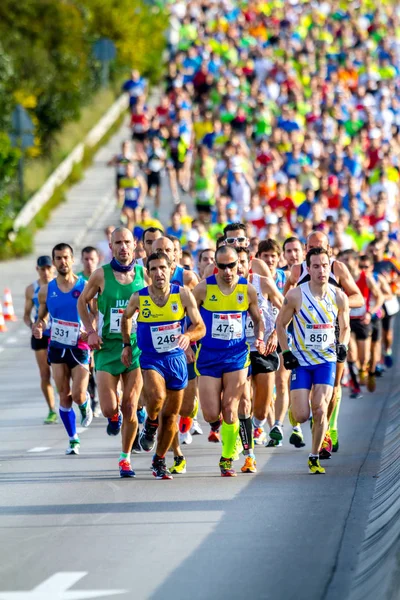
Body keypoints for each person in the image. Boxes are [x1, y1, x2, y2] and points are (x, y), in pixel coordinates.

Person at [121, 251, 205, 479]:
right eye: (154, 269)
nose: (159, 273)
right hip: (151, 359)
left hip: (176, 359)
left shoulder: (183, 294)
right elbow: (126, 317)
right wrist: (127, 345)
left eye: (163, 268)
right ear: (148, 273)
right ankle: (149, 424)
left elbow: (200, 326)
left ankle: (159, 460)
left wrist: (189, 336)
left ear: (171, 270)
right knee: (157, 397)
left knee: (171, 417)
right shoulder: (139, 297)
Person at [284, 230, 364, 455]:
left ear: (329, 250)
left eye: (320, 247)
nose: (314, 251)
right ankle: (301, 412)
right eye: (310, 247)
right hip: (302, 335)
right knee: (304, 397)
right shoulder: (298, 270)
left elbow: (358, 297)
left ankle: (329, 429)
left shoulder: (337, 268)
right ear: (306, 249)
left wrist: (337, 301)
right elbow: (285, 298)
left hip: (333, 333)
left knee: (333, 386)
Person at [78, 228, 149, 478]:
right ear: (111, 245)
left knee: (130, 405)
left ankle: (125, 458)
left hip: (136, 348)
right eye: (118, 242)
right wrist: (91, 330)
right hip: (107, 348)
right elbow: (82, 302)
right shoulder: (100, 275)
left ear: (135, 245)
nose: (123, 247)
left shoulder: (144, 274)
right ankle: (113, 417)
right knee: (110, 408)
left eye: (127, 242)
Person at [276, 247, 350, 474]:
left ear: (330, 267)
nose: (321, 270)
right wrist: (286, 352)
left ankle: (314, 455)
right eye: (316, 266)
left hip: (326, 360)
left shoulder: (338, 296)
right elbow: (281, 324)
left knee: (319, 409)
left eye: (325, 265)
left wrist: (343, 345)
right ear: (308, 269)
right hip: (301, 361)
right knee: (301, 415)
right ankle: (293, 412)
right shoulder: (296, 295)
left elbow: (345, 326)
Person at [193, 245, 265, 477]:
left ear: (239, 265)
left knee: (230, 408)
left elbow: (258, 319)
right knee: (211, 414)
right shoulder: (203, 289)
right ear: (215, 266)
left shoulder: (248, 290)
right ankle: (225, 432)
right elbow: (187, 316)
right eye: (222, 266)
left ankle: (226, 459)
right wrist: (187, 340)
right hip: (208, 356)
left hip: (236, 356)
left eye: (231, 265)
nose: (227, 271)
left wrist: (261, 337)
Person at [32, 243, 93, 455]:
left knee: (77, 394)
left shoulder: (85, 286)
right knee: (64, 395)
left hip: (80, 345)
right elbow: (43, 315)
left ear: (72, 259)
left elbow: (95, 313)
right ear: (54, 261)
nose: (62, 262)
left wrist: (91, 330)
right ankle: (73, 439)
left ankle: (85, 405)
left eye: (66, 257)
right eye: (58, 258)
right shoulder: (46, 290)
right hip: (57, 345)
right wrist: (39, 326)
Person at [236, 247, 282, 472]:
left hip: (263, 349)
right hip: (237, 350)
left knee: (262, 409)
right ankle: (248, 453)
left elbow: (286, 309)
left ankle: (257, 425)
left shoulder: (262, 282)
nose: (238, 267)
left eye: (243, 262)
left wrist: (275, 334)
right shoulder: (222, 285)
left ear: (249, 262)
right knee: (243, 401)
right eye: (235, 262)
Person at [340, 250, 383, 396]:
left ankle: (367, 371)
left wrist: (370, 313)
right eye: (343, 260)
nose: (345, 263)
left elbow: (379, 297)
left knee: (364, 358)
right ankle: (355, 385)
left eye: (348, 260)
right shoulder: (342, 279)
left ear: (355, 261)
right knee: (351, 354)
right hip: (347, 320)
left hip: (363, 320)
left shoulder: (367, 278)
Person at [23, 256, 57, 424]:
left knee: (63, 374)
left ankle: (75, 401)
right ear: (37, 269)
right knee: (45, 374)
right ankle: (51, 409)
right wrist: (32, 326)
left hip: (60, 334)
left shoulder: (61, 285)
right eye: (42, 269)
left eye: (48, 268)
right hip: (41, 336)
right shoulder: (32, 289)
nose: (45, 272)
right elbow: (26, 314)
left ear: (54, 268)